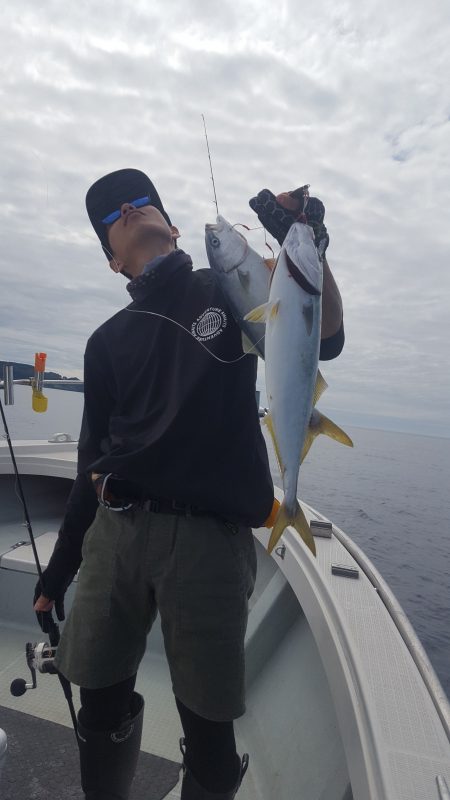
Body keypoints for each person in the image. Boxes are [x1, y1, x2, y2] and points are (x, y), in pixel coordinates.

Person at [34, 168, 344, 800]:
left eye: (140, 198)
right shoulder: (107, 343)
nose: (128, 207)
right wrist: (57, 573)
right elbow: (91, 464)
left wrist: (301, 238)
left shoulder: (228, 288)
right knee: (99, 698)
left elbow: (323, 336)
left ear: (172, 225)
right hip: (114, 536)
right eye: (111, 215)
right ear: (113, 262)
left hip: (207, 542)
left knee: (208, 722)